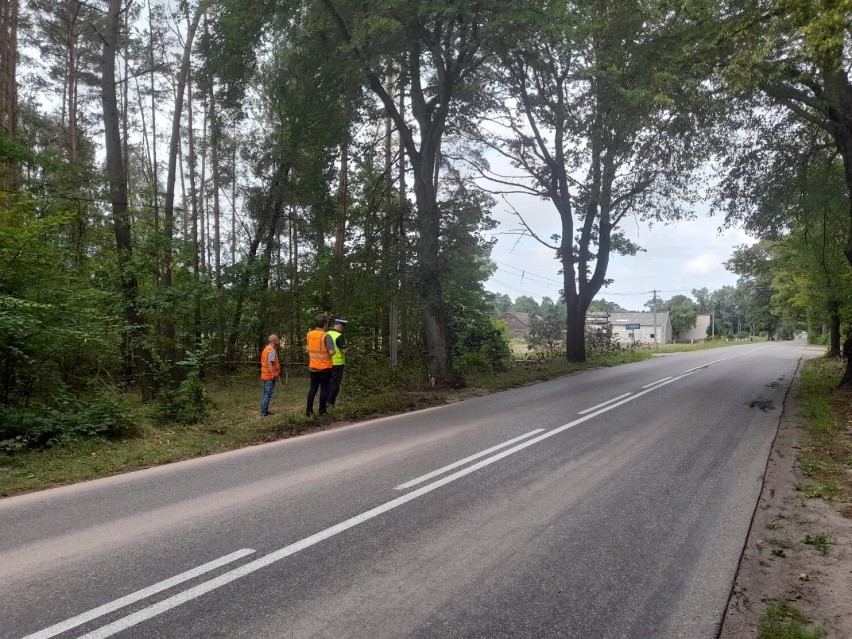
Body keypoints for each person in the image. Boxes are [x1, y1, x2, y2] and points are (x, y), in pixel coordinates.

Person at [305, 315, 335, 416]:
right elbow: (331, 352)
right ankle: (322, 411)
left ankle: (308, 411)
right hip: (324, 368)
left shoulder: (309, 334)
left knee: (312, 389)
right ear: (324, 324)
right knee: (324, 389)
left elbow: (308, 349)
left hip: (312, 367)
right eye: (327, 324)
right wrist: (333, 351)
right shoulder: (326, 336)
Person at [326, 319, 348, 407]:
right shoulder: (339, 336)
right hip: (337, 363)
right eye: (342, 328)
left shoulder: (326, 334)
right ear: (339, 326)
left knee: (328, 383)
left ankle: (324, 401)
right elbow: (344, 350)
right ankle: (330, 403)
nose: (342, 330)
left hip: (327, 363)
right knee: (335, 384)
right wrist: (346, 347)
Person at [259, 334, 281, 417]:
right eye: (278, 339)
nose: (279, 341)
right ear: (274, 341)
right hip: (269, 376)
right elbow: (270, 363)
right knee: (268, 394)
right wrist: (273, 374)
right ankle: (264, 412)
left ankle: (263, 411)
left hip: (265, 375)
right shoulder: (271, 350)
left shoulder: (266, 349)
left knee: (265, 393)